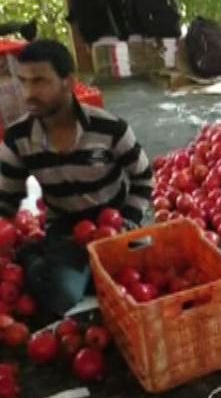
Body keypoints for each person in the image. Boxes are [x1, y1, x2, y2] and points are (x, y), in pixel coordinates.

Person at [0, 40, 153, 315]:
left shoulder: (110, 128)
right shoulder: (17, 139)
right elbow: (5, 200)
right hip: (67, 230)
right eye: (23, 82)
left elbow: (143, 177)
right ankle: (32, 256)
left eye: (40, 82)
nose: (28, 94)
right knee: (61, 295)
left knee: (152, 261)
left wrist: (129, 218)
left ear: (68, 82)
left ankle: (71, 265)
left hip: (117, 223)